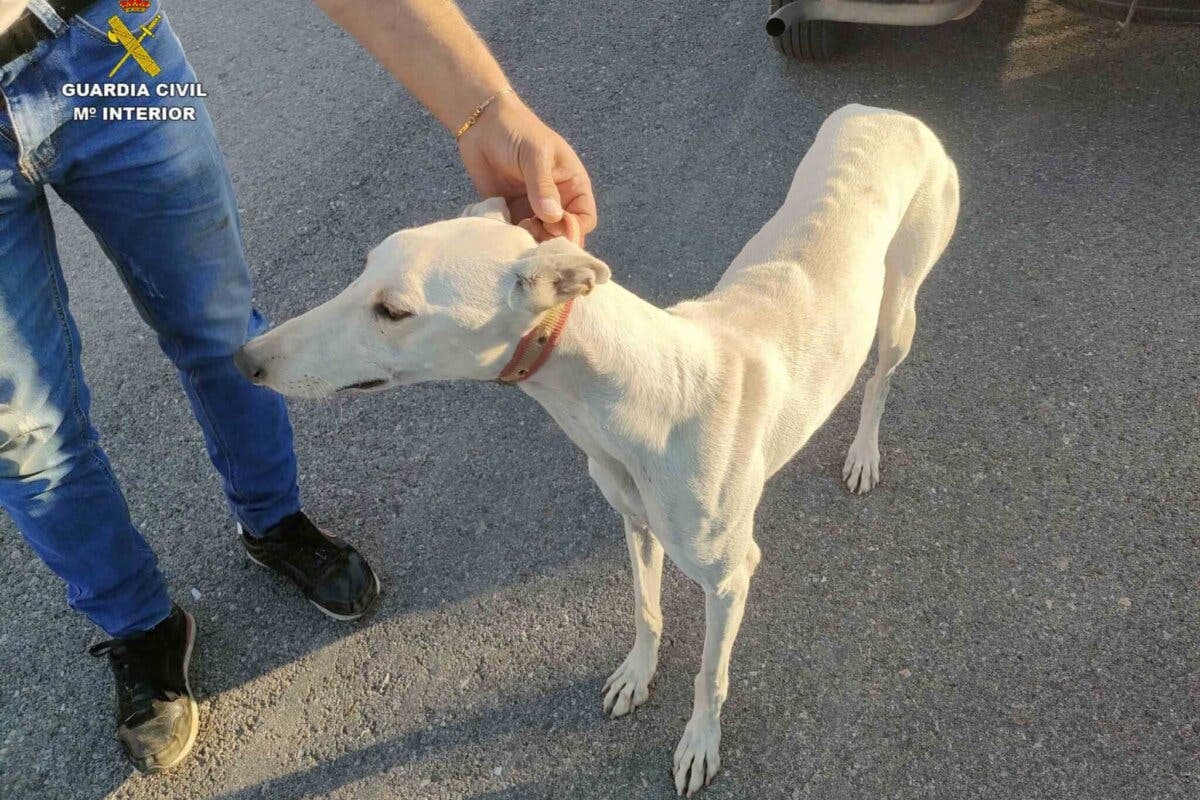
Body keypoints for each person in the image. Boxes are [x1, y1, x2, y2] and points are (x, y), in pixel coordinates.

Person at [0, 0, 596, 773]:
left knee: (225, 337)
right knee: (21, 433)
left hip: (104, 44)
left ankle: (273, 521)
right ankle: (139, 624)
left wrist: (486, 106)